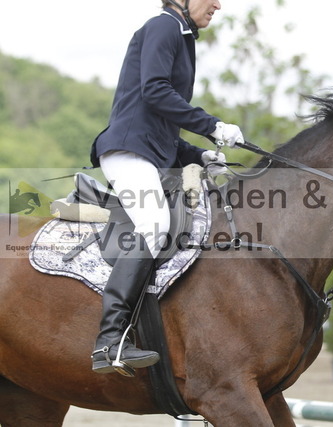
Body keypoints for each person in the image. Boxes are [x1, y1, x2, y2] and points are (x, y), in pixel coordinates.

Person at [89, 0, 244, 375]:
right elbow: (155, 92)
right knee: (155, 224)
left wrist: (199, 155)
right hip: (129, 150)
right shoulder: (163, 26)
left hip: (149, 149)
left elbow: (161, 125)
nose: (218, 4)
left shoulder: (181, 34)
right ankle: (109, 341)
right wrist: (211, 125)